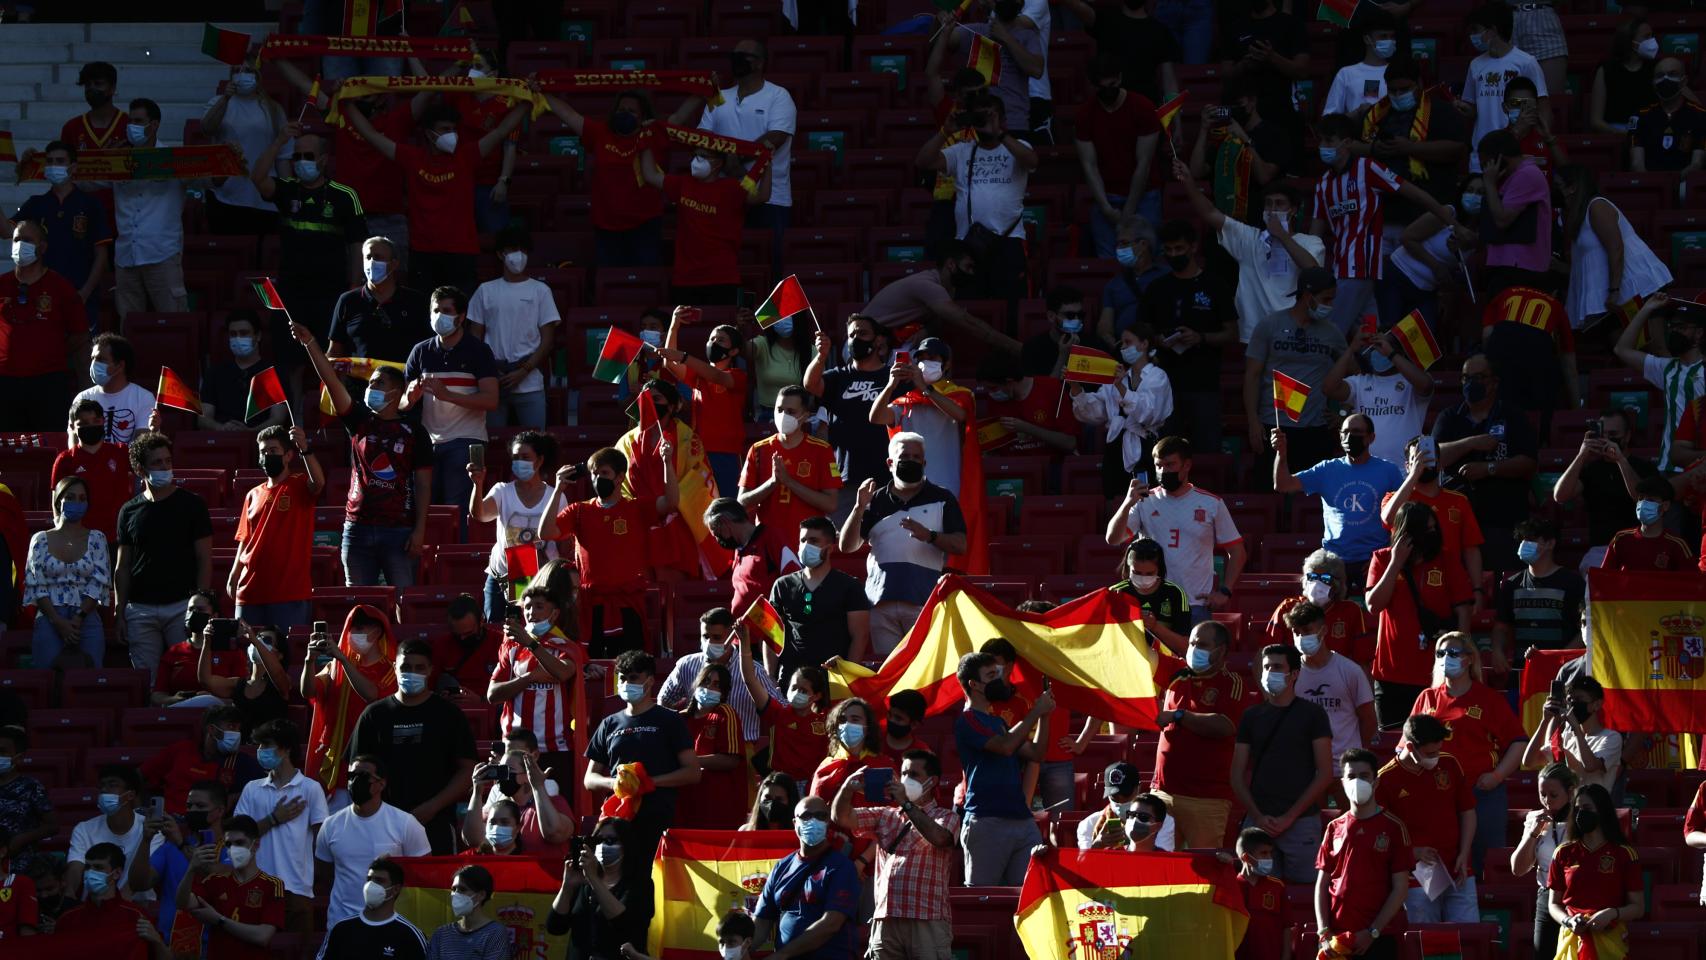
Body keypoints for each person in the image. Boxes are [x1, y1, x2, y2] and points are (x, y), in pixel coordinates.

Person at [292, 319, 432, 587]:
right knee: (356, 604)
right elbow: (330, 380)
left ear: (396, 392)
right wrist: (310, 343)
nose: (371, 389)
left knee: (402, 601)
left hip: (399, 531)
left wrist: (420, 530)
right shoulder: (359, 420)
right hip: (356, 530)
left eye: (378, 384)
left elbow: (424, 484)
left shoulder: (415, 431)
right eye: (370, 384)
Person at [343, 100, 529, 296]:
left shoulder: (467, 155)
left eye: (454, 129)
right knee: (423, 314)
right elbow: (371, 136)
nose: (452, 134)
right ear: (429, 133)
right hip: (423, 251)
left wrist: (526, 103)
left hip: (461, 251)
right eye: (445, 129)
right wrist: (347, 104)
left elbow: (501, 131)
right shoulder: (412, 157)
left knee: (459, 313)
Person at [1313, 112, 1458, 332]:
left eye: (1329, 141)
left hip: (1359, 267)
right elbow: (1315, 234)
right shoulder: (1323, 184)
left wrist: (1450, 221)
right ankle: (1383, 365)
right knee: (1370, 337)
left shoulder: (1367, 168)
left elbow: (1414, 193)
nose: (1323, 146)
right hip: (1342, 268)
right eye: (1321, 141)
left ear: (1347, 142)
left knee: (1330, 332)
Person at [249, 121, 364, 383]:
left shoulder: (345, 196)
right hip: (292, 292)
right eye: (297, 156)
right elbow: (257, 177)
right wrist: (280, 140)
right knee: (291, 361)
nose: (301, 161)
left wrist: (354, 287)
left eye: (308, 156)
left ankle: (337, 415)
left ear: (323, 160)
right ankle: (296, 417)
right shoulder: (287, 190)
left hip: (331, 292)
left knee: (332, 359)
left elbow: (356, 244)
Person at [539, 445, 675, 657]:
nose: (597, 479)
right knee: (595, 663)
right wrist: (557, 490)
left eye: (604, 473)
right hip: (592, 605)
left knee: (629, 664)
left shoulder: (636, 508)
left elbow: (670, 502)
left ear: (620, 477)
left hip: (627, 602)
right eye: (594, 473)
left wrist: (667, 461)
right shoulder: (580, 510)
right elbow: (546, 532)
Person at [839, 433, 967, 657]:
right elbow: (846, 546)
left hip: (924, 602)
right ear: (890, 463)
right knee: (889, 674)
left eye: (917, 457)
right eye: (905, 456)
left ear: (925, 463)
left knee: (923, 668)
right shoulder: (874, 500)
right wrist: (859, 507)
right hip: (880, 604)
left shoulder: (942, 498)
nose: (912, 461)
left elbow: (961, 544)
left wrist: (930, 536)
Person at [1412, 631, 1527, 873]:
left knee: (1483, 862)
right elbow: (1406, 745)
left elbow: (1518, 741)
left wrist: (1497, 776)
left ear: (1470, 659)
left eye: (1453, 652)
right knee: (1439, 865)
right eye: (1440, 653)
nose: (1446, 658)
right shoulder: (1427, 697)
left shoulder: (1489, 699)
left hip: (1481, 793)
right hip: (1437, 794)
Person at [348, 640, 477, 853]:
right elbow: (356, 771)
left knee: (436, 885)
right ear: (394, 667)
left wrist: (433, 807)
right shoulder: (373, 715)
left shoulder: (449, 714)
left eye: (419, 668)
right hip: (382, 824)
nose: (412, 673)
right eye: (406, 667)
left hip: (436, 823)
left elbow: (467, 768)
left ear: (430, 670)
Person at [831, 750, 957, 959]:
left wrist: (906, 804)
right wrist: (846, 789)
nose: (906, 779)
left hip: (926, 919)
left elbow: (940, 838)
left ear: (932, 781)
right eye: (904, 773)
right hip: (885, 919)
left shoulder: (946, 816)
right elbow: (841, 817)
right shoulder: (885, 814)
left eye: (914, 774)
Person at [538, 89, 686, 267]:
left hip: (645, 226)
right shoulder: (600, 133)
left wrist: (703, 90)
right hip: (606, 226)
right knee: (610, 280)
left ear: (643, 116)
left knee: (644, 282)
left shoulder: (654, 135)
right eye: (621, 110)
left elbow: (678, 119)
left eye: (631, 111)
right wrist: (542, 92)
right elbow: (568, 114)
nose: (625, 114)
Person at [1106, 436, 1246, 622]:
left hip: (1193, 604)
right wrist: (1127, 503)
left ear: (1186, 465)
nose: (1163, 471)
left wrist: (1225, 591)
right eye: (1159, 465)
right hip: (1150, 602)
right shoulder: (1144, 500)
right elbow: (1113, 538)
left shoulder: (1211, 504)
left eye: (1170, 465)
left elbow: (1237, 552)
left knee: (1191, 651)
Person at [1177, 168, 1322, 346]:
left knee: (1286, 376)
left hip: (1294, 333)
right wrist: (1189, 183)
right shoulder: (1250, 238)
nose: (1272, 209)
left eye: (1279, 204)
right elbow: (1210, 213)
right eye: (1268, 204)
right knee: (1254, 375)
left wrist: (1282, 236)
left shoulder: (1310, 242)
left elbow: (1315, 274)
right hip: (1256, 333)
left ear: (1293, 210)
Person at [915, 96, 1036, 307]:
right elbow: (923, 162)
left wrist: (1001, 133)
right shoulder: (962, 150)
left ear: (1003, 119)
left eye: (990, 114)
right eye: (979, 115)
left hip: (1009, 240)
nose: (985, 119)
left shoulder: (1018, 146)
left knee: (1011, 307)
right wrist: (945, 131)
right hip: (969, 243)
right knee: (971, 306)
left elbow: (1032, 161)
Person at [583, 650, 702, 863]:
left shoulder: (669, 720)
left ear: (649, 681)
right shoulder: (609, 724)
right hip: (618, 820)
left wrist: (648, 783)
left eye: (633, 678)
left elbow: (692, 772)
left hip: (659, 818)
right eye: (623, 678)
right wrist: (616, 784)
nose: (627, 683)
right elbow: (589, 778)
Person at [114, 430, 213, 682]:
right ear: (139, 469)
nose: (164, 467)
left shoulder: (193, 504)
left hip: (182, 606)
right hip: (140, 610)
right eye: (157, 462)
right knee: (146, 681)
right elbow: (122, 566)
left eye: (168, 461)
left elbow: (204, 558)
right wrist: (120, 610)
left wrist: (200, 605)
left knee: (186, 676)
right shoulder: (128, 510)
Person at [1230, 644, 1333, 882]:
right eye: (1266, 667)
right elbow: (1236, 775)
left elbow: (1325, 772)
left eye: (1277, 667)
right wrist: (1257, 815)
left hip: (1302, 821)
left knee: (1305, 892)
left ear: (1294, 673)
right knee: (1256, 891)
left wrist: (1290, 816)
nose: (1270, 672)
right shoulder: (1251, 716)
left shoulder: (1313, 714)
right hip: (1258, 822)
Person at [400, 285, 499, 530]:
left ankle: (458, 561)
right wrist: (410, 397)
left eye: (446, 310)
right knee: (423, 508)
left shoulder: (478, 351)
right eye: (436, 310)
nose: (439, 316)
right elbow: (402, 404)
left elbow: (491, 400)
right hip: (427, 441)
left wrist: (448, 395)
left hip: (466, 439)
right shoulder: (421, 351)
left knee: (459, 509)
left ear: (462, 316)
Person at [1150, 621, 1255, 850]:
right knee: (1160, 868)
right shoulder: (1177, 674)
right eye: (1192, 643)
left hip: (1206, 799)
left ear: (1222, 651)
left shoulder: (1232, 683)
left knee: (1204, 868)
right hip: (1163, 792)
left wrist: (1179, 715)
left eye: (1203, 644)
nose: (1194, 649)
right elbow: (1141, 656)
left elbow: (1225, 726)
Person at [1367, 503, 1474, 727]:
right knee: (1392, 743)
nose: (1432, 535)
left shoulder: (1447, 560)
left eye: (1434, 529)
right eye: (1425, 530)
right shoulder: (1383, 558)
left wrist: (1461, 655)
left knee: (1432, 744)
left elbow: (1463, 610)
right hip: (1391, 674)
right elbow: (1374, 605)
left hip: (1435, 673)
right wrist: (1396, 562)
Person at [1431, 353, 1538, 575]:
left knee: (1501, 591)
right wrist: (1472, 443)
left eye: (1478, 377)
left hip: (1503, 521)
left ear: (1494, 382)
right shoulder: (1449, 417)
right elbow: (1434, 457)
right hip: (1456, 524)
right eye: (1465, 378)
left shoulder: (1512, 416)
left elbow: (1527, 462)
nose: (1471, 383)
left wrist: (1489, 469)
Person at [698, 38, 796, 277]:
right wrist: (725, 158)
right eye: (735, 55)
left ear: (761, 63)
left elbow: (777, 136)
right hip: (724, 196)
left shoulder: (778, 96)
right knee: (729, 268)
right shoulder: (718, 97)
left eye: (745, 56)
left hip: (769, 198)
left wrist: (737, 157)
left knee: (770, 271)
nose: (738, 60)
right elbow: (701, 136)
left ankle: (773, 318)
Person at [954, 651, 1051, 885]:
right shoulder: (968, 720)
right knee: (982, 902)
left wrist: (1045, 715)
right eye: (990, 675)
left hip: (1021, 819)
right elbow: (1006, 747)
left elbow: (1036, 753)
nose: (998, 680)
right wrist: (1035, 712)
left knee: (1027, 896)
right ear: (974, 684)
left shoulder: (998, 722)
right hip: (987, 820)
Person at [1245, 267, 1350, 475]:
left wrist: (1343, 413)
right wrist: (1252, 420)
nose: (1330, 305)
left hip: (1316, 428)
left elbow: (1354, 375)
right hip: (1274, 426)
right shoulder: (1269, 325)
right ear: (1308, 296)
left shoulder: (1332, 331)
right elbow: (1252, 375)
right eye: (1326, 299)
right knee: (1271, 492)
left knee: (1311, 499)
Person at [1374, 714, 1477, 924]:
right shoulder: (1385, 779)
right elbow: (1380, 834)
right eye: (1431, 753)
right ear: (1410, 747)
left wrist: (1465, 853)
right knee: (1426, 943)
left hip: (1458, 870)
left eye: (1438, 750)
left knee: (1467, 937)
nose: (1436, 756)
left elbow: (1467, 812)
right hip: (1416, 878)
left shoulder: (1449, 763)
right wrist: (1412, 853)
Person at [1145, 219, 1237, 449]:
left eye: (1179, 249)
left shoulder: (1215, 285)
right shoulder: (1157, 288)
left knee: (1208, 450)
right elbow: (1144, 332)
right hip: (1164, 386)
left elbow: (1232, 333)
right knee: (1166, 451)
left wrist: (1201, 338)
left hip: (1204, 384)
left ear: (1193, 247)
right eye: (1168, 250)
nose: (1173, 254)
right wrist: (1158, 340)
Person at [1314, 749, 1414, 959]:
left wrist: (1373, 932)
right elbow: (1322, 885)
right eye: (1351, 776)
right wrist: (1323, 932)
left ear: (1376, 782)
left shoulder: (1394, 827)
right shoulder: (1334, 827)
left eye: (1364, 776)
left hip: (1379, 938)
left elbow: (1401, 888)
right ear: (1342, 783)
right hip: (1337, 940)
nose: (1357, 782)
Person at [1274, 415, 1404, 576]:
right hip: (1334, 562)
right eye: (1345, 432)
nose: (1350, 437)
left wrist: (1383, 556)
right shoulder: (1327, 469)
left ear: (1371, 437)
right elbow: (1283, 485)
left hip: (1375, 559)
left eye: (1357, 432)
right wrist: (1281, 453)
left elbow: (1401, 520)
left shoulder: (1389, 471)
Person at [1355, 61, 1470, 242]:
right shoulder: (1375, 115)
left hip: (1426, 215)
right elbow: (1349, 146)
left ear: (1419, 83)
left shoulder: (1442, 111)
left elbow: (1456, 150)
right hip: (1382, 214)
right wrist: (1373, 148)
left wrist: (1410, 148)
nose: (1398, 95)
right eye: (1393, 90)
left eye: (1404, 89)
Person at [640, 145, 770, 304]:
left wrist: (767, 164)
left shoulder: (731, 187)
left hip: (722, 276)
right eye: (695, 155)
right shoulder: (682, 183)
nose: (696, 160)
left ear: (718, 163)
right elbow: (650, 175)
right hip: (685, 277)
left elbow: (762, 196)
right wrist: (645, 142)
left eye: (703, 156)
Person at [8, 141, 111, 340]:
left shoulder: (90, 204)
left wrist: (85, 292)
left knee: (82, 358)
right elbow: (6, 231)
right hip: (43, 296)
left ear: (73, 167)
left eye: (60, 161)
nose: (54, 166)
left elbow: (101, 254)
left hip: (80, 295)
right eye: (50, 161)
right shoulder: (36, 204)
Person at [110, 98, 203, 318]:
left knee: (174, 322)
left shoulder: (174, 160)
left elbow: (211, 181)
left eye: (138, 121)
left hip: (162, 254)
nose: (132, 126)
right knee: (128, 326)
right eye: (130, 121)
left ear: (154, 125)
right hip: (126, 256)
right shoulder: (117, 160)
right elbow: (85, 181)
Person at [315, 756, 431, 927]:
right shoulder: (331, 825)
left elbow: (424, 871)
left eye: (362, 776)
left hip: (390, 923)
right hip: (342, 923)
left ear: (381, 784)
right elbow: (325, 871)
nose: (355, 781)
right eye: (351, 776)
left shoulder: (405, 823)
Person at [232, 719, 323, 934]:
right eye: (259, 746)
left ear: (286, 749)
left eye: (266, 745)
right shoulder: (252, 789)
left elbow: (321, 839)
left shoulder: (311, 788)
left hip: (297, 889)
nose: (261, 751)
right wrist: (273, 819)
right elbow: (238, 837)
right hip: (255, 887)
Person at [488, 587, 586, 786]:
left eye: (539, 607)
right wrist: (529, 678)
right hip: (513, 749)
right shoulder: (511, 647)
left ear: (555, 613)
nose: (531, 612)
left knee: (556, 809)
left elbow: (563, 673)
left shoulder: (565, 646)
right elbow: (492, 695)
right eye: (527, 607)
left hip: (555, 748)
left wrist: (531, 644)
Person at [228, 425, 321, 631]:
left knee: (286, 655)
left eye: (272, 451)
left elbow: (319, 482)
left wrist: (305, 448)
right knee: (249, 657)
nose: (267, 456)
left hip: (288, 592)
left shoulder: (299, 484)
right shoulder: (252, 494)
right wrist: (234, 575)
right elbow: (245, 538)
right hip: (249, 591)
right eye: (263, 452)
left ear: (288, 455)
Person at [0, 219, 89, 431]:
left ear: (42, 247)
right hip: (5, 383)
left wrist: (52, 351)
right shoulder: (1, 284)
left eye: (27, 240)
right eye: (16, 240)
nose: (20, 245)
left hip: (48, 383)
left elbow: (80, 334)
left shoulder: (61, 288)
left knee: (49, 443)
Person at [1558, 166, 1670, 335]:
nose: (1553, 190)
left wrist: (1614, 291)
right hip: (1612, 297)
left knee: (1654, 350)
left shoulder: (1597, 206)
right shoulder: (1574, 217)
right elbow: (1586, 267)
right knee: (1623, 352)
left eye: (1557, 185)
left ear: (1572, 187)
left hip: (1636, 287)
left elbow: (1616, 248)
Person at [301, 607, 398, 802]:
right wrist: (309, 661)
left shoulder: (391, 669)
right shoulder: (334, 666)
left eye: (360, 628)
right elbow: (308, 691)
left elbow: (372, 694)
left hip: (370, 757)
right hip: (337, 759)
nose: (354, 634)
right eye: (352, 628)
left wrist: (344, 661)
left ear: (377, 632)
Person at [467, 226, 558, 428]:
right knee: (494, 444)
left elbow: (548, 339)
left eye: (523, 250)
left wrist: (524, 370)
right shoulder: (485, 291)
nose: (519, 255)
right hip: (493, 382)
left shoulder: (541, 291)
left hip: (530, 382)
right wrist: (488, 371)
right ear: (500, 254)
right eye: (512, 249)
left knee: (536, 444)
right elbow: (475, 338)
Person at [806, 316, 894, 523]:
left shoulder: (893, 377)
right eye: (852, 335)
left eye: (863, 333)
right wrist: (821, 357)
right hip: (846, 477)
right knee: (843, 547)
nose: (856, 339)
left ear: (878, 340)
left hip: (887, 475)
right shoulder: (838, 376)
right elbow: (810, 385)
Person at [750, 794, 859, 960]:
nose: (813, 821)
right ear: (795, 823)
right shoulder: (782, 867)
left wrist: (783, 955)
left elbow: (831, 924)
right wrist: (741, 951)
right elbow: (762, 922)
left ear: (828, 822)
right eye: (807, 815)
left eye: (821, 816)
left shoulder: (842, 867)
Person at [1071, 322, 1171, 501]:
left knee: (1146, 503)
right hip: (1114, 448)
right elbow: (1096, 413)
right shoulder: (1117, 376)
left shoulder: (1157, 377)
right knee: (1114, 499)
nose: (1123, 347)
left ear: (1144, 344)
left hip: (1145, 447)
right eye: (1122, 343)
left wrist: (1122, 389)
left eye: (1128, 342)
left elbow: (1148, 414)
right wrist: (1076, 389)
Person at [468, 430, 558, 622]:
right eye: (515, 457)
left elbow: (562, 539)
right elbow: (480, 514)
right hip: (501, 574)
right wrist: (478, 484)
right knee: (496, 628)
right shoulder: (502, 490)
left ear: (540, 460)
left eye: (525, 457)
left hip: (538, 576)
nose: (519, 462)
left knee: (530, 630)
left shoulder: (555, 496)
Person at [1074, 55, 1161, 253]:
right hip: (1106, 196)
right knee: (1108, 260)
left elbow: (1144, 163)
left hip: (1145, 195)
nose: (1107, 92)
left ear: (1120, 79)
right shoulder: (1085, 115)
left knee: (1148, 256)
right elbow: (1089, 166)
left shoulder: (1143, 108)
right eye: (1101, 87)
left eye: (1111, 85)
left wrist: (1128, 212)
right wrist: (1105, 207)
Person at [1546, 784, 1644, 957]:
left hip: (1610, 941)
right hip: (1572, 940)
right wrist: (1568, 921)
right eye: (1576, 809)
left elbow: (1638, 907)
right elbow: (1554, 904)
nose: (1580, 813)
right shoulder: (1563, 852)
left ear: (1602, 811)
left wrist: (1612, 914)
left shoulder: (1624, 853)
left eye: (1587, 808)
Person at [659, 607, 781, 744]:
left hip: (742, 748)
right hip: (696, 748)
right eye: (705, 636)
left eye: (717, 637)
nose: (709, 643)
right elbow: (664, 699)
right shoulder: (686, 665)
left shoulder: (755, 671)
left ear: (731, 636)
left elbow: (779, 710)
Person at [1553, 409, 1655, 571]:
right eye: (1603, 434)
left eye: (1613, 434)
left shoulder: (1644, 467)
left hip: (1637, 546)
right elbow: (1560, 495)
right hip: (1601, 550)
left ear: (1627, 436)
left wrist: (1620, 460)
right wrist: (1581, 455)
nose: (1607, 439)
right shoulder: (1592, 470)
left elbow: (1643, 499)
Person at [869, 338, 973, 496]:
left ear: (947, 364)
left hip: (948, 485)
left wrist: (925, 388)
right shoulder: (908, 399)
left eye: (932, 358)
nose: (925, 363)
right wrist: (890, 386)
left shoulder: (959, 395)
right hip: (912, 485)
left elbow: (960, 415)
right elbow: (876, 417)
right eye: (921, 359)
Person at [769, 518, 871, 679]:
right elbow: (771, 635)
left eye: (814, 541)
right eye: (803, 540)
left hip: (832, 678)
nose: (806, 546)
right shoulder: (782, 585)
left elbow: (860, 636)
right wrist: (770, 676)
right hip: (791, 678)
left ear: (829, 548)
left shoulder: (850, 586)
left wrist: (848, 678)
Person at [658, 314, 749, 492]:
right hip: (699, 452)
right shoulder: (698, 376)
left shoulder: (738, 375)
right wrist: (674, 327)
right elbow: (670, 363)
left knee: (726, 504)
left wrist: (683, 357)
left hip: (727, 453)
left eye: (721, 340)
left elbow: (717, 376)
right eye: (711, 338)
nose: (714, 342)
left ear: (734, 351)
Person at [25, 476, 109, 669]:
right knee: (47, 679)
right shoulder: (40, 539)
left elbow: (99, 582)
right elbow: (36, 583)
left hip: (86, 618)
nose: (76, 502)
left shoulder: (97, 538)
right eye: (70, 497)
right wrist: (57, 621)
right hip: (49, 616)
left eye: (82, 498)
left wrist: (78, 617)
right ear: (59, 500)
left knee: (91, 677)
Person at [1616, 295, 1705, 474]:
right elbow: (1621, 349)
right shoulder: (1666, 368)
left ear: (1699, 333)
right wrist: (1646, 310)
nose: (1674, 332)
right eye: (1672, 327)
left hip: (1701, 467)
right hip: (1668, 468)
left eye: (1682, 327)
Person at [1287, 602, 1376, 779]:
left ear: (1323, 630)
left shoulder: (1350, 670)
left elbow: (1368, 719)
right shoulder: (1291, 674)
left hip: (1346, 770)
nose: (1301, 637)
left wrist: (1356, 754)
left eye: (1307, 630)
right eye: (1296, 632)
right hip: (1307, 769)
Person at [1322, 328, 1434, 468]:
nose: (1378, 351)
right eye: (1373, 346)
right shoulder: (1360, 382)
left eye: (1381, 345)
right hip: (1367, 472)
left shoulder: (1410, 382)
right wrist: (1351, 349)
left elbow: (1426, 386)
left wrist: (1391, 354)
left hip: (1406, 472)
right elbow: (1328, 388)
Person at [175, 814, 284, 958]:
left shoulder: (272, 885)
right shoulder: (215, 881)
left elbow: (263, 937)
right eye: (229, 844)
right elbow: (182, 903)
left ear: (255, 845)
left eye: (239, 843)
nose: (233, 849)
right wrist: (191, 869)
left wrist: (220, 920)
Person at [200, 57, 287, 235]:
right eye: (237, 71)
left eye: (248, 71)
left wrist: (286, 195)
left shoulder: (273, 109)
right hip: (226, 195)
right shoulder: (218, 102)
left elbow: (283, 156)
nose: (243, 75)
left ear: (257, 76)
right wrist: (225, 98)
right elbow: (207, 128)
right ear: (231, 76)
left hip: (264, 196)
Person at [547, 817, 652, 960]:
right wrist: (567, 887)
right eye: (598, 840)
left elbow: (624, 926)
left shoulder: (639, 884)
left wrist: (594, 879)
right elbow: (555, 927)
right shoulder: (583, 881)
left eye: (610, 841)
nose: (603, 845)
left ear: (626, 845)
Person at [739, 385, 841, 533]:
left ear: (805, 416)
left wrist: (789, 482)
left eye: (791, 412)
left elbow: (831, 504)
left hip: (805, 543)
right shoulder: (758, 449)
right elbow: (742, 502)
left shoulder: (822, 450)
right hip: (769, 541)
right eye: (779, 410)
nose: (783, 415)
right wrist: (772, 483)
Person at [1462, 3, 1549, 172]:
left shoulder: (1526, 62)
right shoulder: (1475, 65)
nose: (1473, 36)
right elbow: (1473, 109)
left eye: (1476, 30)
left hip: (1516, 152)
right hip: (1482, 153)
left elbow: (1543, 108)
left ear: (1492, 30)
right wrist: (1463, 108)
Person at [742, 635, 832, 793]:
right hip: (781, 787)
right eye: (794, 688)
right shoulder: (777, 713)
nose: (797, 693)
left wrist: (840, 667)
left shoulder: (826, 720)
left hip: (813, 788)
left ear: (816, 696)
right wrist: (745, 644)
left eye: (803, 691)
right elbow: (750, 680)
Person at [1492, 517, 1585, 671]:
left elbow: (1584, 631)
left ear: (1550, 543)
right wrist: (1497, 650)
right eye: (1522, 540)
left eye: (1531, 540)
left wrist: (1559, 659)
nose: (1524, 545)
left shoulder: (1573, 583)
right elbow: (1501, 626)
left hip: (1561, 672)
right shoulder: (1511, 584)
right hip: (1522, 672)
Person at [327, 237, 431, 365]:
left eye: (378, 257)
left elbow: (428, 349)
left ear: (394, 264)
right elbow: (335, 351)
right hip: (358, 383)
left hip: (403, 382)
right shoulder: (348, 300)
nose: (372, 262)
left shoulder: (416, 301)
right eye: (368, 257)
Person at [58, 842, 171, 960]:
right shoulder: (67, 920)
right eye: (87, 867)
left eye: (98, 867)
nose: (90, 873)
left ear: (117, 873)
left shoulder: (137, 918)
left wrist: (157, 941)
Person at [1512, 762, 1579, 957]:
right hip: (1547, 895)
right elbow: (1518, 869)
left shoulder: (1581, 817)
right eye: (1542, 794)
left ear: (1570, 791)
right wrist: (1534, 834)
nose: (1547, 801)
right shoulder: (1535, 819)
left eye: (1553, 795)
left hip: (1578, 895)